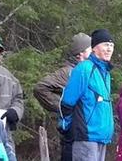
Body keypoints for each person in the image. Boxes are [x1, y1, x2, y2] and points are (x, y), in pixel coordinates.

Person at [35, 33, 93, 161]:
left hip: (87, 135)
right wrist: (63, 107)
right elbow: (41, 88)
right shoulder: (68, 72)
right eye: (90, 50)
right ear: (80, 54)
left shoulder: (89, 72)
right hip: (73, 134)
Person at [60, 29, 115, 161]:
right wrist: (66, 126)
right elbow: (67, 102)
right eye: (105, 45)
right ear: (94, 48)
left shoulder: (105, 73)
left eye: (112, 46)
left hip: (101, 138)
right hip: (86, 137)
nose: (109, 49)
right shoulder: (84, 69)